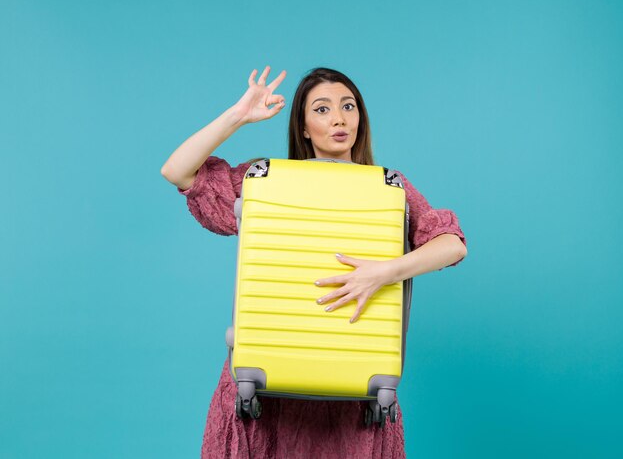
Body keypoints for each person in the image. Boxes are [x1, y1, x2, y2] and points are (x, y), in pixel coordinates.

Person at [161, 66, 467, 458]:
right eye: (322, 109)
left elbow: (452, 244)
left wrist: (384, 272)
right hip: (264, 397)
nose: (339, 118)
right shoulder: (266, 181)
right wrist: (239, 114)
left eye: (348, 106)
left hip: (353, 399)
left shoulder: (388, 188)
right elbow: (178, 170)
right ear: (303, 127)